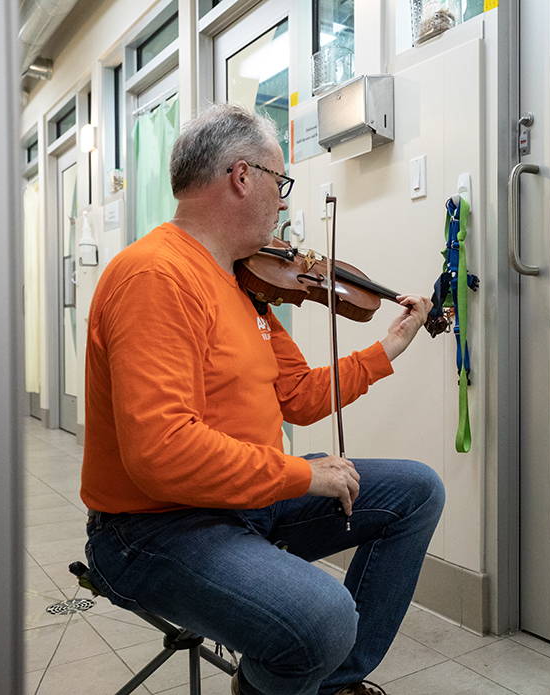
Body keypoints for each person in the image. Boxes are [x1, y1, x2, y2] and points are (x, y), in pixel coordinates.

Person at [80, 102, 444, 695]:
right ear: (242, 176)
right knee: (322, 617)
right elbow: (162, 454)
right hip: (153, 529)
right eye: (281, 182)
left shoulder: (244, 287)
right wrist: (299, 475)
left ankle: (331, 684)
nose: (283, 202)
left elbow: (297, 396)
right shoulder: (156, 276)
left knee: (416, 491)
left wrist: (388, 348)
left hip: (243, 499)